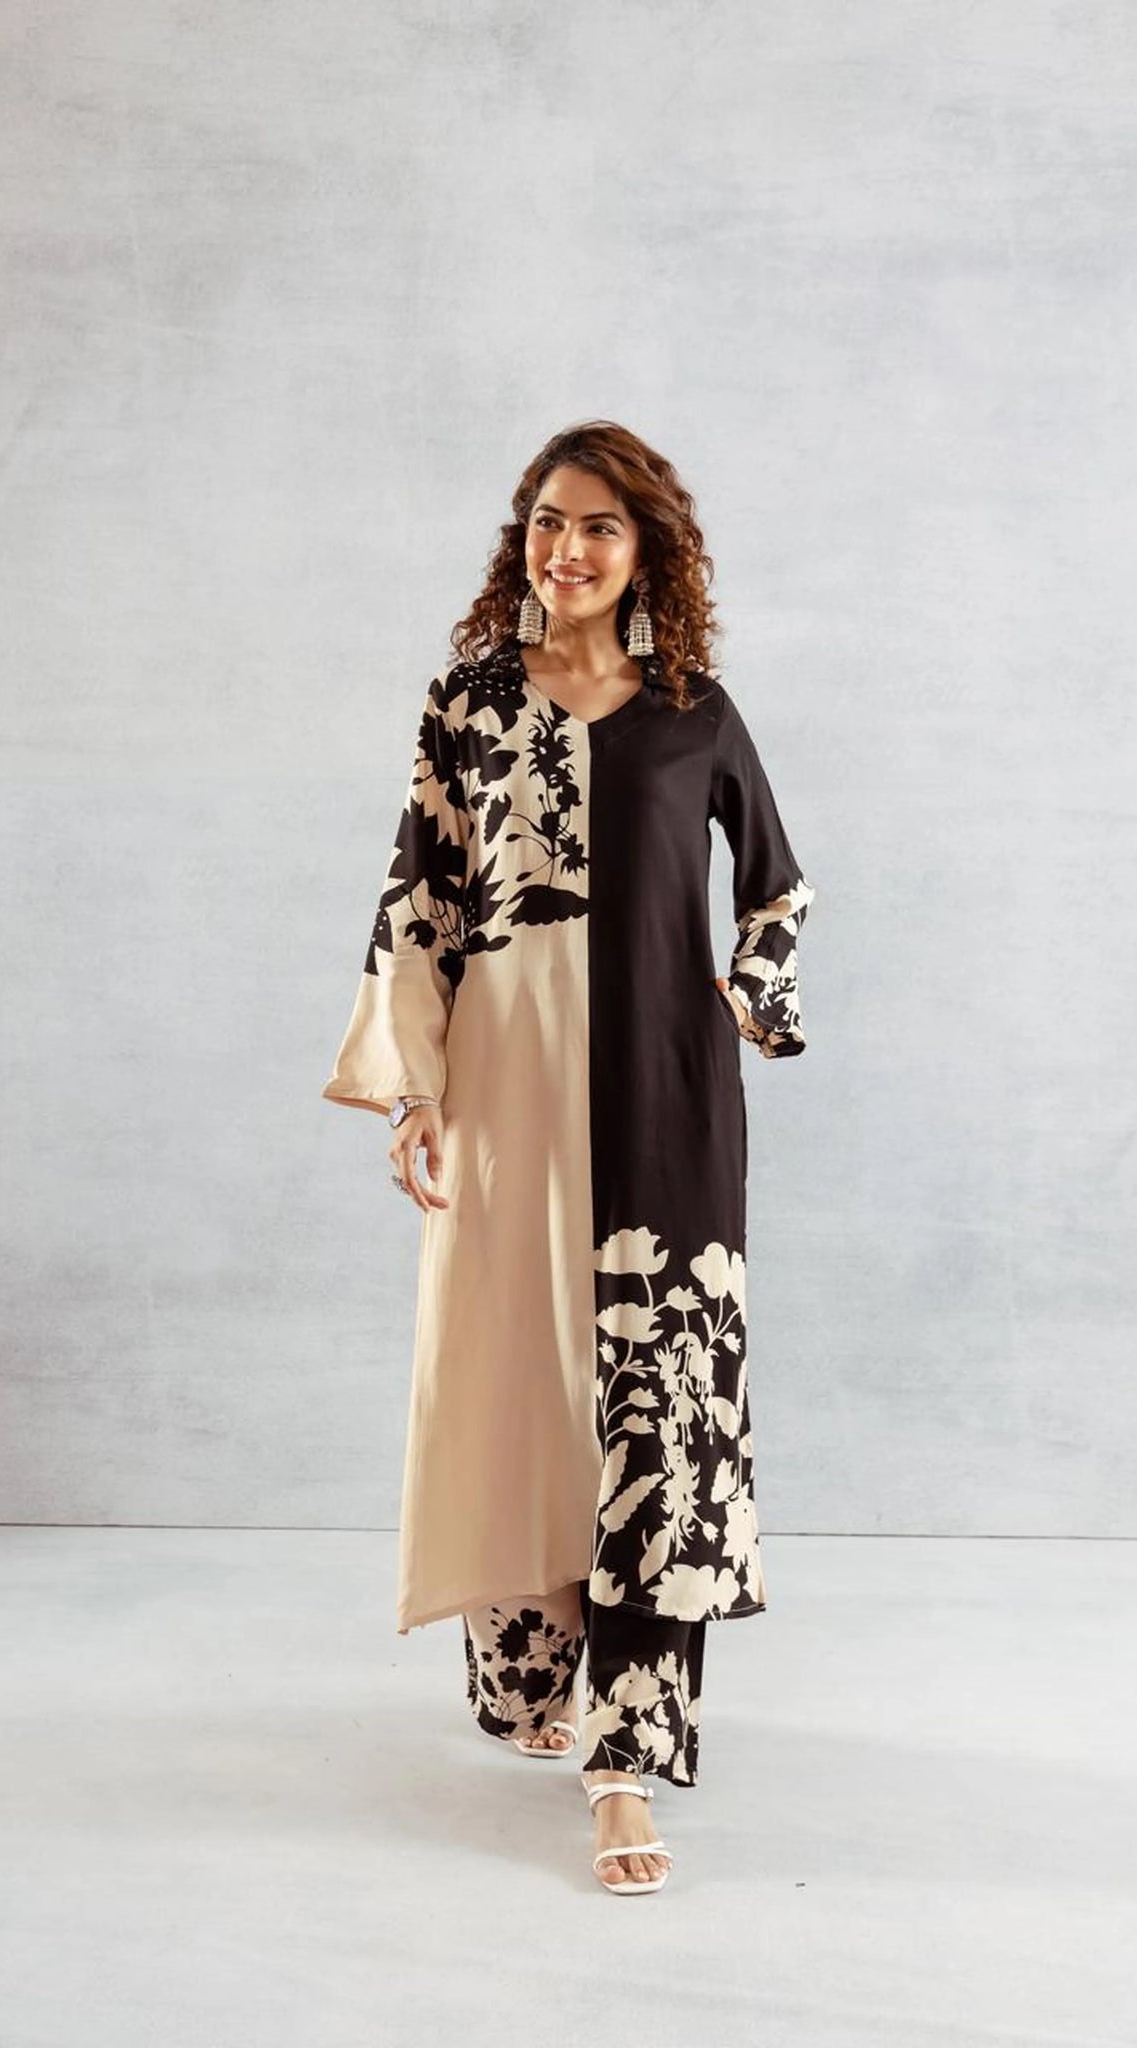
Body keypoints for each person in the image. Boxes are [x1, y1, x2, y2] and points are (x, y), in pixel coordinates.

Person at [322, 419, 815, 1895]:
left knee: (658, 1406)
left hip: (666, 1102)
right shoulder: (469, 705)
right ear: (520, 538)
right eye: (548, 520)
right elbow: (418, 900)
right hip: (507, 1100)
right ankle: (527, 1672)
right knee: (518, 1376)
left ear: (646, 551)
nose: (569, 548)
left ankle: (625, 1757)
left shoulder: (693, 713)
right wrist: (413, 1091)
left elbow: (777, 888)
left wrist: (747, 994)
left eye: (601, 525)